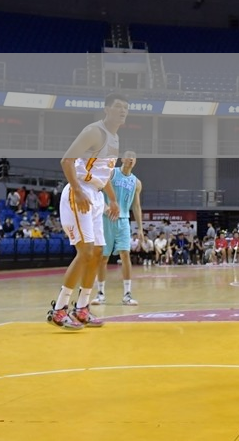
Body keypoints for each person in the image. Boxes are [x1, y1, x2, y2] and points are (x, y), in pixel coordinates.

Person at [46, 93, 127, 330]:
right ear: (106, 109)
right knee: (85, 252)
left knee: (99, 253)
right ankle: (59, 309)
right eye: (118, 107)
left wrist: (113, 200)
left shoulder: (115, 138)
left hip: (97, 195)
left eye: (126, 108)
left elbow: (105, 174)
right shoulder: (94, 131)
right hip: (80, 192)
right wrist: (78, 190)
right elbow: (66, 160)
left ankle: (82, 308)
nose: (123, 111)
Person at [93, 151, 143, 306]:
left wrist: (140, 228)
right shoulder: (111, 173)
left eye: (134, 157)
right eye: (128, 156)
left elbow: (136, 206)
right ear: (122, 159)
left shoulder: (136, 182)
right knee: (103, 257)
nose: (131, 159)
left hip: (124, 220)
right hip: (106, 218)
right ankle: (100, 294)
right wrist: (105, 207)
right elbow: (96, 191)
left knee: (125, 254)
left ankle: (127, 294)